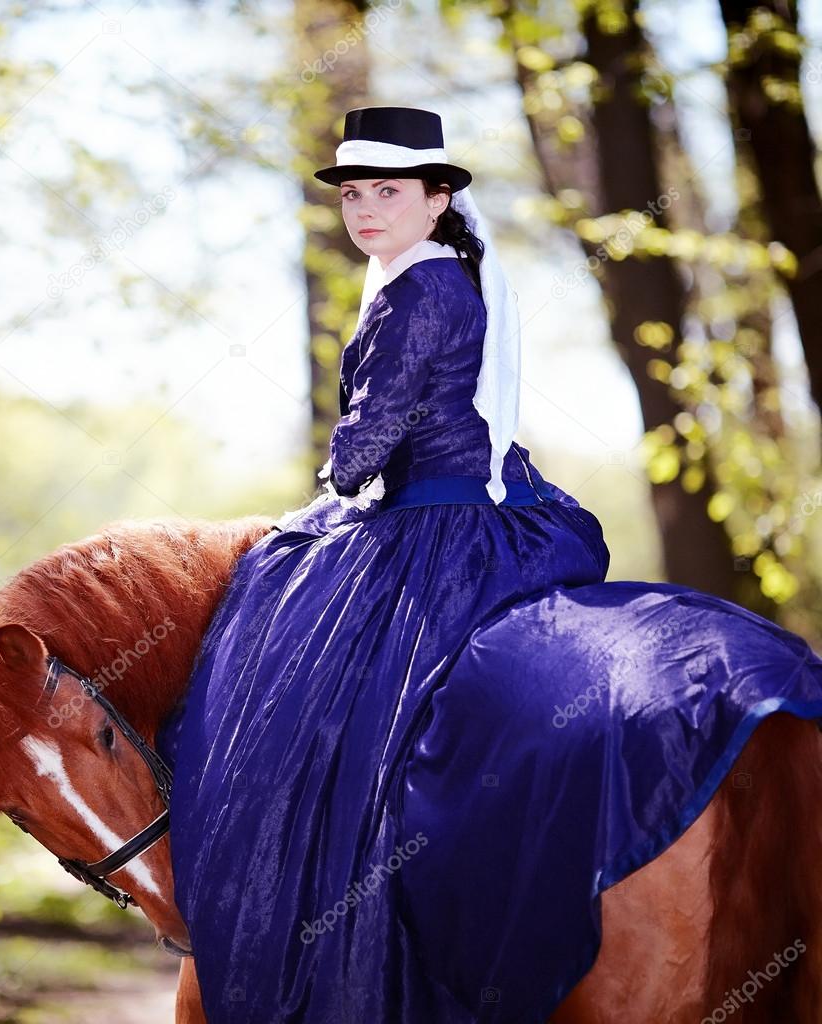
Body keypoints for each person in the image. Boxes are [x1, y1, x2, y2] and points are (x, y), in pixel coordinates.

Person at [155, 106, 822, 1023]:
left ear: (437, 201)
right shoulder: (421, 278)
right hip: (467, 501)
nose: (365, 210)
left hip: (438, 524)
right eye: (353, 193)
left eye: (387, 191)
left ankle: (317, 909)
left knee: (291, 651)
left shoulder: (419, 290)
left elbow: (374, 431)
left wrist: (332, 482)